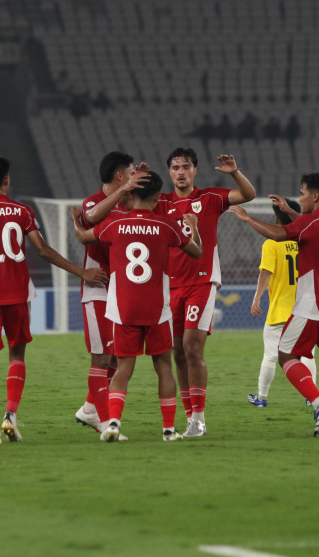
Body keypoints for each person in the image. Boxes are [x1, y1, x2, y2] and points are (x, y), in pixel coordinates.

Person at [0, 155, 107, 445]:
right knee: (17, 356)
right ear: (7, 180)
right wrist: (81, 272)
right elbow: (43, 250)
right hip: (19, 295)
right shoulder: (22, 211)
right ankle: (11, 416)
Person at [71, 171, 203, 442]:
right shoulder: (167, 225)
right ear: (158, 196)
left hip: (123, 308)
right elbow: (197, 253)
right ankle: (168, 430)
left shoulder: (116, 224)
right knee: (164, 367)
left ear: (132, 194)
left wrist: (76, 222)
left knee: (122, 369)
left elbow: (84, 237)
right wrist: (194, 226)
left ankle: (114, 424)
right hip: (157, 308)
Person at [229, 172, 319, 437]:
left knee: (286, 355)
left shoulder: (312, 223)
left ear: (315, 195)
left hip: (312, 304)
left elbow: (279, 234)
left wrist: (248, 218)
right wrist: (289, 209)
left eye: (302, 193)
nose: (300, 198)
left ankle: (318, 402)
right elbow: (314, 229)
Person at [159, 147, 256, 437]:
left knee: (192, 347)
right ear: (169, 172)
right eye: (175, 167)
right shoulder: (160, 202)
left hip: (202, 282)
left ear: (194, 171)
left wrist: (235, 173)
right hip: (169, 285)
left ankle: (199, 418)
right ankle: (189, 416)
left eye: (186, 166)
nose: (180, 171)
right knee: (176, 353)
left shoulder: (210, 197)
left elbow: (248, 195)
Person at [71, 151, 152, 440]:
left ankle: (90, 408)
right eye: (130, 172)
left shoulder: (125, 206)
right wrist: (123, 191)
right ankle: (106, 423)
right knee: (102, 358)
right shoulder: (93, 202)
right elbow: (90, 217)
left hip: (121, 291)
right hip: (97, 291)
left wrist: (136, 189)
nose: (132, 177)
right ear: (119, 176)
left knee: (118, 356)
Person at [247, 198, 317, 408]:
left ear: (276, 218)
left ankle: (262, 397)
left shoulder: (271, 243)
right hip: (305, 310)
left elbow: (265, 271)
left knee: (270, 356)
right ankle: (310, 396)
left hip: (280, 311)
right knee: (307, 354)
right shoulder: (303, 241)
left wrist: (257, 297)